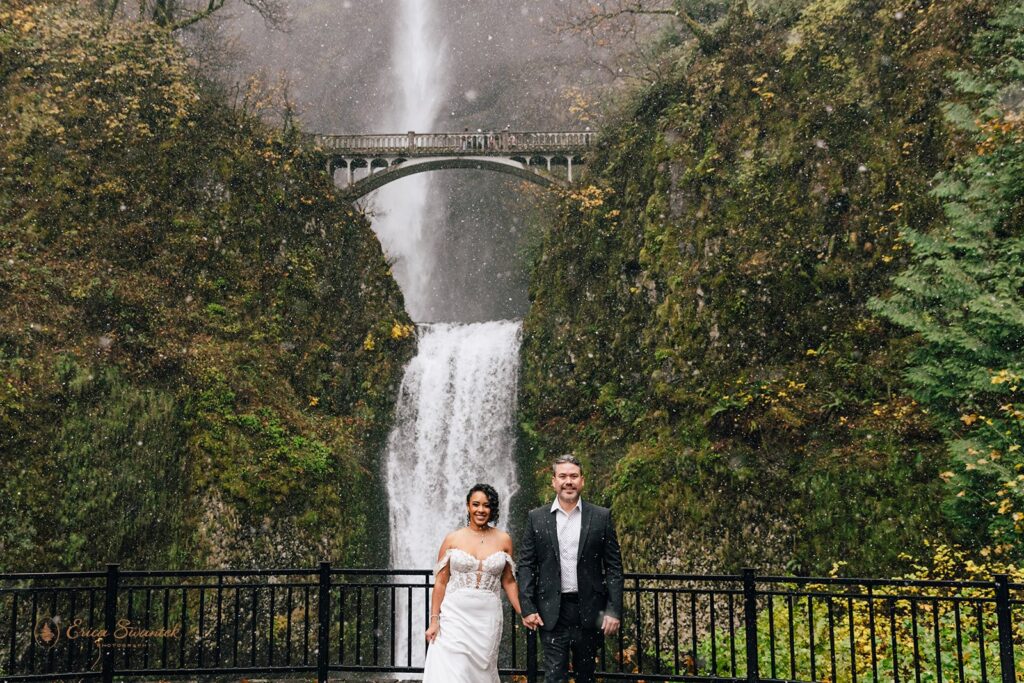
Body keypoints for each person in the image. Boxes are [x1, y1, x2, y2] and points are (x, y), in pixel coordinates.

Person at [518, 454, 624, 683]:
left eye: (574, 476)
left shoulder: (600, 517)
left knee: (586, 675)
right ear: (553, 481)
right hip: (551, 612)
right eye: (563, 476)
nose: (569, 481)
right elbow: (526, 564)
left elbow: (614, 567)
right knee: (554, 675)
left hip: (589, 609)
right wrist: (527, 606)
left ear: (582, 481)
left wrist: (614, 610)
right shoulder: (536, 518)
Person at [423, 483, 522, 683]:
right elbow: (441, 582)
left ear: (492, 509)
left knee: (481, 673)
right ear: (468, 506)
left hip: (487, 619)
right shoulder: (453, 539)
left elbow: (509, 581)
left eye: (486, 505)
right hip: (454, 617)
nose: (481, 510)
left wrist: (525, 612)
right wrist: (434, 621)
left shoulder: (504, 540)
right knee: (456, 671)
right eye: (476, 504)